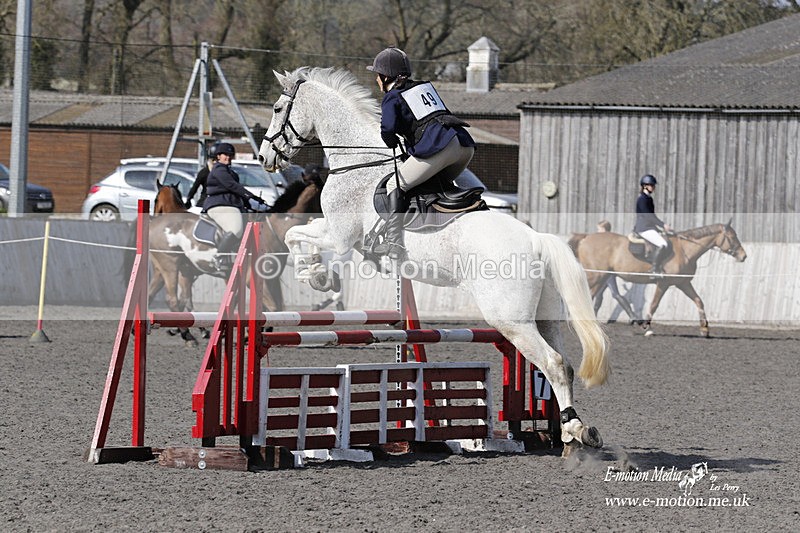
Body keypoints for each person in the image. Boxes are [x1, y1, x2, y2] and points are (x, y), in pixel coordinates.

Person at [367, 46, 476, 260]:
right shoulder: (423, 88)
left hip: (441, 148)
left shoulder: (393, 96)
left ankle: (394, 242)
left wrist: (389, 142)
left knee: (394, 184)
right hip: (464, 146)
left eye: (377, 76)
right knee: (430, 186)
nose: (376, 81)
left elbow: (387, 129)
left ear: (385, 76)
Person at [202, 142, 267, 268]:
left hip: (231, 204)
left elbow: (236, 193)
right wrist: (252, 196)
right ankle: (219, 257)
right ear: (218, 156)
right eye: (225, 155)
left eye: (230, 155)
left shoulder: (228, 171)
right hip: (219, 205)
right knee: (236, 230)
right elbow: (233, 186)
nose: (228, 157)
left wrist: (251, 204)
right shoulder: (219, 170)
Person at [594, 220, 638, 323]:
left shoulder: (606, 240)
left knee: (615, 293)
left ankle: (633, 315)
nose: (597, 231)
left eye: (599, 229)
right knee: (599, 294)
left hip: (608, 273)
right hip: (605, 272)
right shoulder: (607, 240)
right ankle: (593, 317)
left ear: (604, 229)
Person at [634, 174, 672, 275]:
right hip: (644, 228)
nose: (654, 187)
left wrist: (658, 229)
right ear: (645, 186)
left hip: (649, 227)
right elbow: (649, 216)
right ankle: (654, 269)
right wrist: (663, 225)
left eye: (653, 185)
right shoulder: (642, 199)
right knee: (663, 244)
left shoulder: (648, 198)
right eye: (652, 185)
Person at [185, 145, 215, 209]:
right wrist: (189, 199)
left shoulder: (223, 172)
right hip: (205, 200)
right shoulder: (204, 173)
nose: (215, 162)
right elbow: (195, 186)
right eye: (213, 160)